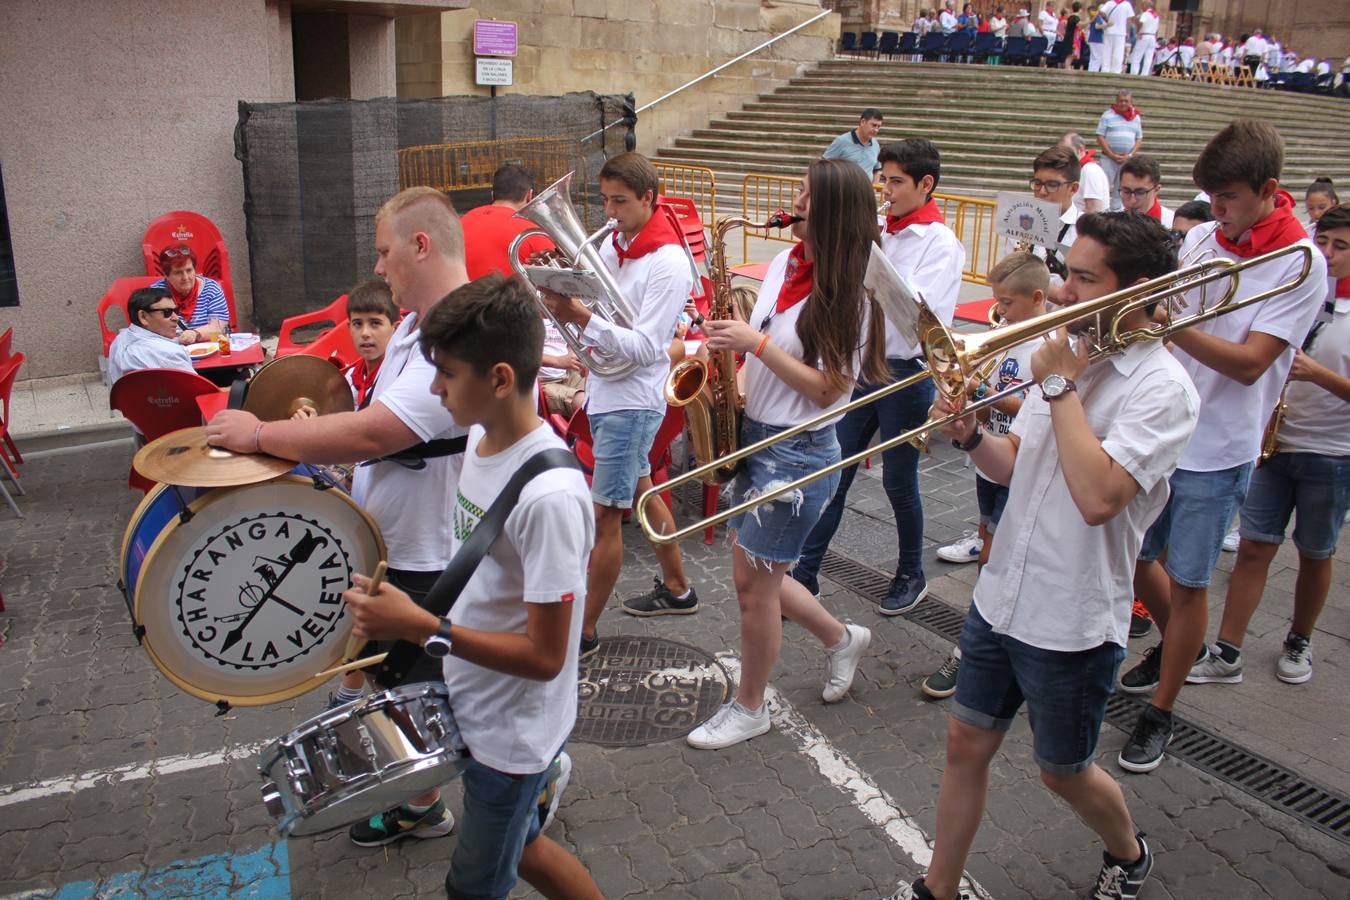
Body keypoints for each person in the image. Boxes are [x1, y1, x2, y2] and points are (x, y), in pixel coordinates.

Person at [884, 212, 1198, 900]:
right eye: (1068, 273)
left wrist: (1059, 387)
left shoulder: (1163, 387)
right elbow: (1014, 464)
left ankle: (1130, 852)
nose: (1061, 293)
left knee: (1062, 771)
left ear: (1137, 290)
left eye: (1085, 279)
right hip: (1000, 599)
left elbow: (1099, 497)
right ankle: (937, 889)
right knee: (965, 745)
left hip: (1072, 616)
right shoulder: (1062, 352)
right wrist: (969, 435)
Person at [205, 186, 475, 845]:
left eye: (385, 253)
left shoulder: (464, 333)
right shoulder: (415, 325)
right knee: (398, 683)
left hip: (431, 555)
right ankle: (428, 796)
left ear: (421, 245)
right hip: (396, 544)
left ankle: (493, 782)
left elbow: (376, 434)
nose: (378, 270)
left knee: (427, 693)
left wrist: (261, 436)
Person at [342, 274, 601, 900]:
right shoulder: (480, 442)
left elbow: (546, 658)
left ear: (501, 379)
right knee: (529, 849)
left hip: (513, 736)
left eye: (447, 374)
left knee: (474, 887)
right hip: (476, 702)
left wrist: (420, 626)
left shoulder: (551, 499)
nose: (434, 389)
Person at [1119, 120, 1327, 774]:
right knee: (1132, 557)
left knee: (1188, 584)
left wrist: (1167, 322)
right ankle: (1175, 643)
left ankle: (1164, 708)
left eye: (1230, 199)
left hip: (1221, 445)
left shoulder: (1301, 263)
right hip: (1162, 426)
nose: (1220, 214)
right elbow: (1170, 305)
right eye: (1212, 199)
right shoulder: (1208, 232)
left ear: (1268, 191)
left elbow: (1248, 364)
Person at [685, 158, 885, 750]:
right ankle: (842, 638)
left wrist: (757, 344)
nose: (793, 200)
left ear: (834, 212)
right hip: (758, 433)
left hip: (798, 454)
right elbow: (766, 343)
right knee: (760, 575)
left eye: (805, 193)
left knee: (754, 587)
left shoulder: (851, 295)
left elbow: (831, 389)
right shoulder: (785, 262)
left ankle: (751, 708)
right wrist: (729, 369)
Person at [795, 140, 966, 615]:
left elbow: (913, 318)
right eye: (883, 180)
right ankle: (806, 572)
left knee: (898, 481)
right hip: (861, 367)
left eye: (896, 182)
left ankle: (911, 573)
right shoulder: (883, 232)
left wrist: (866, 258)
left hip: (905, 375)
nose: (885, 191)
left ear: (925, 184)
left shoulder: (939, 244)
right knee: (836, 472)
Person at [535, 152, 700, 640]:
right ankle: (678, 587)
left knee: (604, 516)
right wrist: (559, 296)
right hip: (608, 390)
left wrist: (580, 314)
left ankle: (581, 631)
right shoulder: (614, 246)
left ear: (649, 198)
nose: (609, 212)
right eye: (605, 200)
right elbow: (601, 323)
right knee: (645, 492)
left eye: (620, 201)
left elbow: (649, 348)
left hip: (633, 399)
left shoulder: (668, 262)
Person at [1186, 204, 1350, 688]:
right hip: (1272, 440)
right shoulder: (1297, 281)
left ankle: (1299, 637)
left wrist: (1315, 373)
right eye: (1325, 241)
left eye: (1342, 247)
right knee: (1256, 547)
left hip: (1331, 448)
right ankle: (1228, 650)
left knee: (1316, 550)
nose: (1327, 253)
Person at [926, 253, 1049, 698]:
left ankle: (974, 648)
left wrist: (982, 392)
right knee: (989, 546)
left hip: (1020, 463)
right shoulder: (1006, 332)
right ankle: (990, 638)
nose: (999, 310)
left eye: (1007, 302)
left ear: (1037, 298)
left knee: (995, 558)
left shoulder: (1045, 345)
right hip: (991, 461)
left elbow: (1034, 408)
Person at [323, 278, 403, 706]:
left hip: (397, 517)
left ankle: (351, 690)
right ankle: (351, 688)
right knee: (364, 597)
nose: (365, 334)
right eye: (357, 324)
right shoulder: (353, 376)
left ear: (396, 325)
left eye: (375, 323)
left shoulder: (400, 378)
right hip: (367, 504)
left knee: (371, 599)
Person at [1005, 145, 1080, 296]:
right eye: (1037, 183)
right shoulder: (1021, 221)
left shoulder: (1085, 230)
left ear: (1073, 188)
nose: (1042, 192)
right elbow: (1007, 276)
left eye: (1052, 185)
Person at [460, 163, 554, 281]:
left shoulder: (463, 221)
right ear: (529, 195)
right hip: (512, 298)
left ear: (492, 194)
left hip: (462, 297)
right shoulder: (533, 232)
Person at [107, 285, 194, 387]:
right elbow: (200, 391)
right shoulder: (170, 353)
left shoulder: (118, 340)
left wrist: (177, 341)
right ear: (143, 316)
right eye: (167, 312)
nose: (176, 318)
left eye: (176, 311)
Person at [151, 245, 228, 343]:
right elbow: (151, 332)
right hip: (171, 351)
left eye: (189, 270)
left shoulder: (211, 288)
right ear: (166, 275)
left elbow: (219, 327)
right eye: (178, 273)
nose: (185, 277)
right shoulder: (155, 294)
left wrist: (195, 334)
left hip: (208, 349)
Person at [1096, 89, 1143, 210]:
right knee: (1104, 185)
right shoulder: (1107, 115)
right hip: (1108, 158)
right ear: (1116, 101)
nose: (1123, 103)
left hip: (1126, 159)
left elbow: (1139, 138)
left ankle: (1116, 210)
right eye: (1120, 101)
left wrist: (1130, 155)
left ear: (1131, 102)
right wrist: (1111, 154)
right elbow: (1100, 136)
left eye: (1126, 101)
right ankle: (1102, 210)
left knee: (1121, 186)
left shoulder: (1136, 118)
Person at [823, 109, 885, 179]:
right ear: (862, 122)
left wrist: (872, 187)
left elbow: (877, 170)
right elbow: (823, 166)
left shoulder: (875, 144)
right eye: (873, 125)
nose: (876, 130)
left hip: (866, 189)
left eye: (878, 126)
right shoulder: (841, 141)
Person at [1118, 155, 1174, 228]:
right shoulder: (1111, 225)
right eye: (1126, 191)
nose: (1132, 200)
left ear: (1156, 190)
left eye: (1140, 192)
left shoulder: (1172, 224)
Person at [1061, 132, 1108, 214]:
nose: (1063, 156)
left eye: (1067, 151)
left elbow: (1094, 209)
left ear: (1080, 149)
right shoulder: (1080, 169)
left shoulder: (1090, 170)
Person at [1098, 0, 1135, 73]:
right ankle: (1116, 70)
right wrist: (1128, 31)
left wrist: (1107, 21)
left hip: (1109, 31)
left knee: (1106, 51)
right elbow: (1129, 19)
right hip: (1120, 32)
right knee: (1118, 52)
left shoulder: (1110, 3)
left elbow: (1101, 12)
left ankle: (1105, 69)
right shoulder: (1127, 4)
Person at [1129, 1, 1158, 74]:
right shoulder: (1156, 15)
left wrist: (1138, 31)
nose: (1141, 7)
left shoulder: (1145, 14)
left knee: (1137, 55)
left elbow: (1141, 22)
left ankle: (1134, 73)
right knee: (1148, 57)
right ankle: (1144, 74)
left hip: (1144, 35)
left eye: (1142, 5)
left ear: (1145, 5)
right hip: (1152, 36)